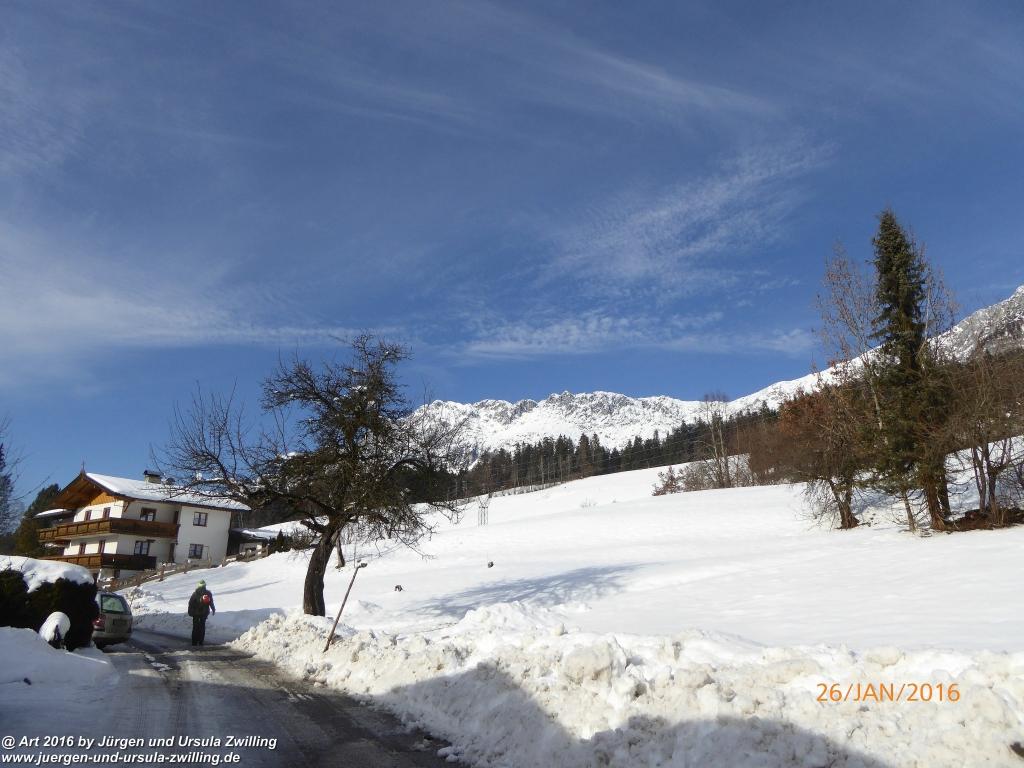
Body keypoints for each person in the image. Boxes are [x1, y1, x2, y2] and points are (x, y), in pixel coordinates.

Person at [187, 580, 216, 646]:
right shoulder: (208, 593)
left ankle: (194, 642)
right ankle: (201, 641)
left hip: (195, 613)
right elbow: (211, 602)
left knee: (195, 627)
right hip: (204, 613)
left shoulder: (195, 593)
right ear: (205, 585)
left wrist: (190, 611)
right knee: (202, 627)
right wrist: (213, 609)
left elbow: (190, 603)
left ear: (198, 585)